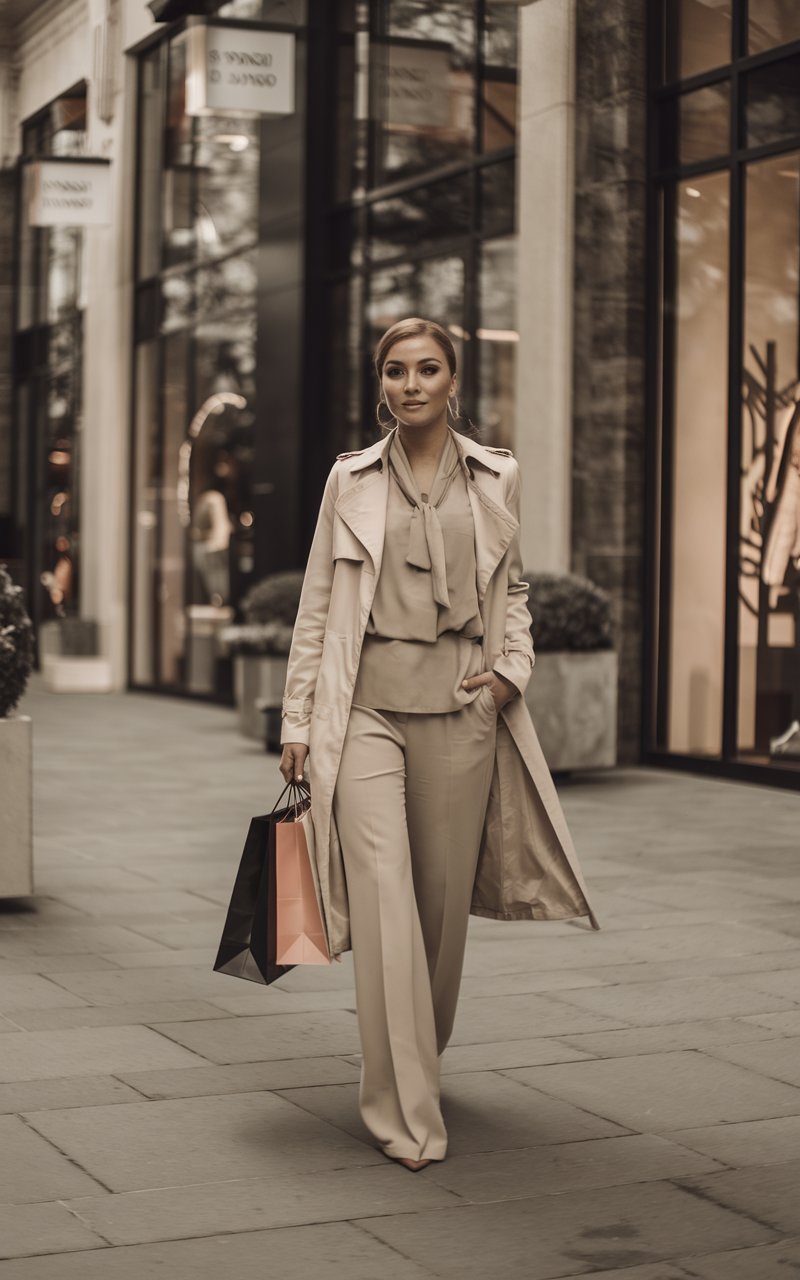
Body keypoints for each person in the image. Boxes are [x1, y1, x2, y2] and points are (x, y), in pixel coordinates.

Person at [279, 316, 598, 1172]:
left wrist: (510, 672)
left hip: (462, 711)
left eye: (428, 369)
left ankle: (420, 1053)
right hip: (369, 713)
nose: (411, 384)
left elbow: (515, 585)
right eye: (395, 370)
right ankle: (403, 1111)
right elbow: (316, 606)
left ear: (454, 380)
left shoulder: (497, 476)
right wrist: (299, 722)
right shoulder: (349, 482)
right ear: (379, 384)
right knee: (384, 905)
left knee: (438, 917)